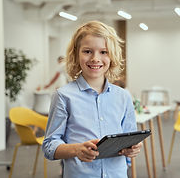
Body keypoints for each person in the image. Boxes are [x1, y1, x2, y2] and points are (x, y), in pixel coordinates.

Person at [42, 21, 142, 178]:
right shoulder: (63, 96)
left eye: (104, 52)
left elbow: (129, 138)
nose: (96, 58)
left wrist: (132, 148)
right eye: (87, 51)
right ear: (76, 54)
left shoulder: (123, 96)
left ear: (112, 55)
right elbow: (49, 146)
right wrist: (76, 149)